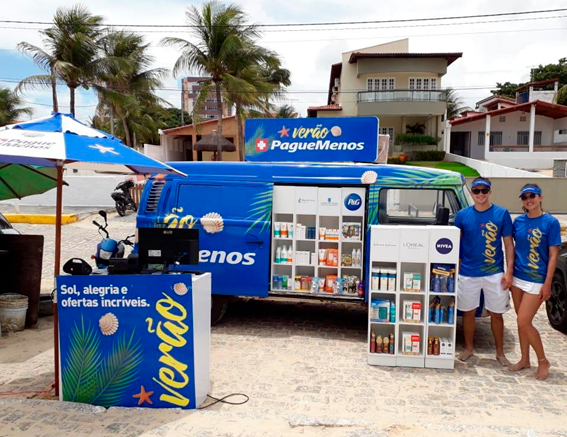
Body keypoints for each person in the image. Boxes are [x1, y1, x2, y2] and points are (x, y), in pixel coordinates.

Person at [455, 177, 514, 365]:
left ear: (490, 192)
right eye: (477, 191)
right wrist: (455, 268)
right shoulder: (462, 215)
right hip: (467, 272)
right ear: (472, 193)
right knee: (468, 312)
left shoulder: (501, 213)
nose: (480, 194)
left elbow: (508, 244)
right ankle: (469, 349)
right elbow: (457, 244)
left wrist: (509, 271)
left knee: (497, 313)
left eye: (484, 191)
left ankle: (500, 352)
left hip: (494, 272)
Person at [508, 184, 560, 380]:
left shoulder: (550, 222)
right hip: (518, 278)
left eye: (532, 196)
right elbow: (510, 246)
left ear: (540, 197)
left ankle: (543, 360)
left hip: (537, 279)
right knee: (521, 322)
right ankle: (524, 359)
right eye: (524, 197)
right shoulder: (518, 222)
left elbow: (553, 256)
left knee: (524, 320)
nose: (528, 200)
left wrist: (547, 284)